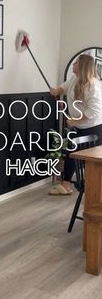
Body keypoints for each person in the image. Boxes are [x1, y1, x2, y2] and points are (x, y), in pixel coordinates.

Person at [49, 54, 102, 195]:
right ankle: (66, 185)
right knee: (71, 153)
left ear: (83, 66)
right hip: (80, 126)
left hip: (94, 129)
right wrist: (56, 91)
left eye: (76, 63)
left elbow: (94, 111)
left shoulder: (93, 85)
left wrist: (75, 120)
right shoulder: (75, 78)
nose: (73, 65)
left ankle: (92, 190)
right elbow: (64, 87)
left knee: (90, 161)